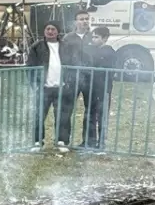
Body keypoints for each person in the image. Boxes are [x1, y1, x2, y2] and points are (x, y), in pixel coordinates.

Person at [26, 21, 77, 150]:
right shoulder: (36, 47)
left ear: (57, 31)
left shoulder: (66, 46)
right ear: (44, 31)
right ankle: (38, 141)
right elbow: (30, 67)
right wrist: (34, 84)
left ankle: (62, 141)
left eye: (53, 29)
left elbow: (72, 65)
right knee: (39, 115)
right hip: (44, 88)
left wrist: (70, 82)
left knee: (63, 116)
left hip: (62, 87)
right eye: (47, 29)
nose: (50, 31)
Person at [61, 9, 93, 144]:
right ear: (76, 22)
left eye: (86, 19)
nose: (84, 21)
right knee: (66, 110)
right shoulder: (68, 38)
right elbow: (62, 57)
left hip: (90, 78)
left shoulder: (93, 37)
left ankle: (88, 141)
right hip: (72, 78)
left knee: (90, 111)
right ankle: (63, 140)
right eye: (81, 19)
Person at [86, 27, 118, 150]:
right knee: (92, 114)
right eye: (93, 37)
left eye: (96, 37)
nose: (93, 40)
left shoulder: (108, 52)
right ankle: (93, 141)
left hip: (103, 88)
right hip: (94, 88)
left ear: (105, 38)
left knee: (102, 116)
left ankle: (101, 143)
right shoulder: (96, 50)